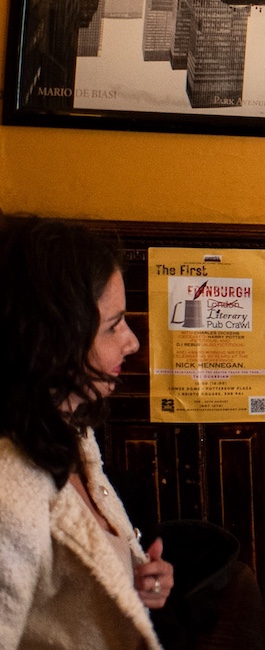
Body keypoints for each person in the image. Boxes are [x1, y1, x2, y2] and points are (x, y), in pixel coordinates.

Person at [0, 215, 174, 649]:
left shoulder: (70, 433)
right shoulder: (9, 488)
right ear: (50, 339)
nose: (132, 342)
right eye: (114, 325)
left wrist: (136, 583)